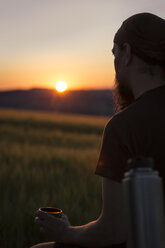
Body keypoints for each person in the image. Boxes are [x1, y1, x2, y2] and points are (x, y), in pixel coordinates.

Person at [31, 12, 165, 248]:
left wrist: (65, 232)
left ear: (127, 54)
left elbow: (112, 232)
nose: (114, 65)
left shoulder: (125, 126)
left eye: (115, 54)